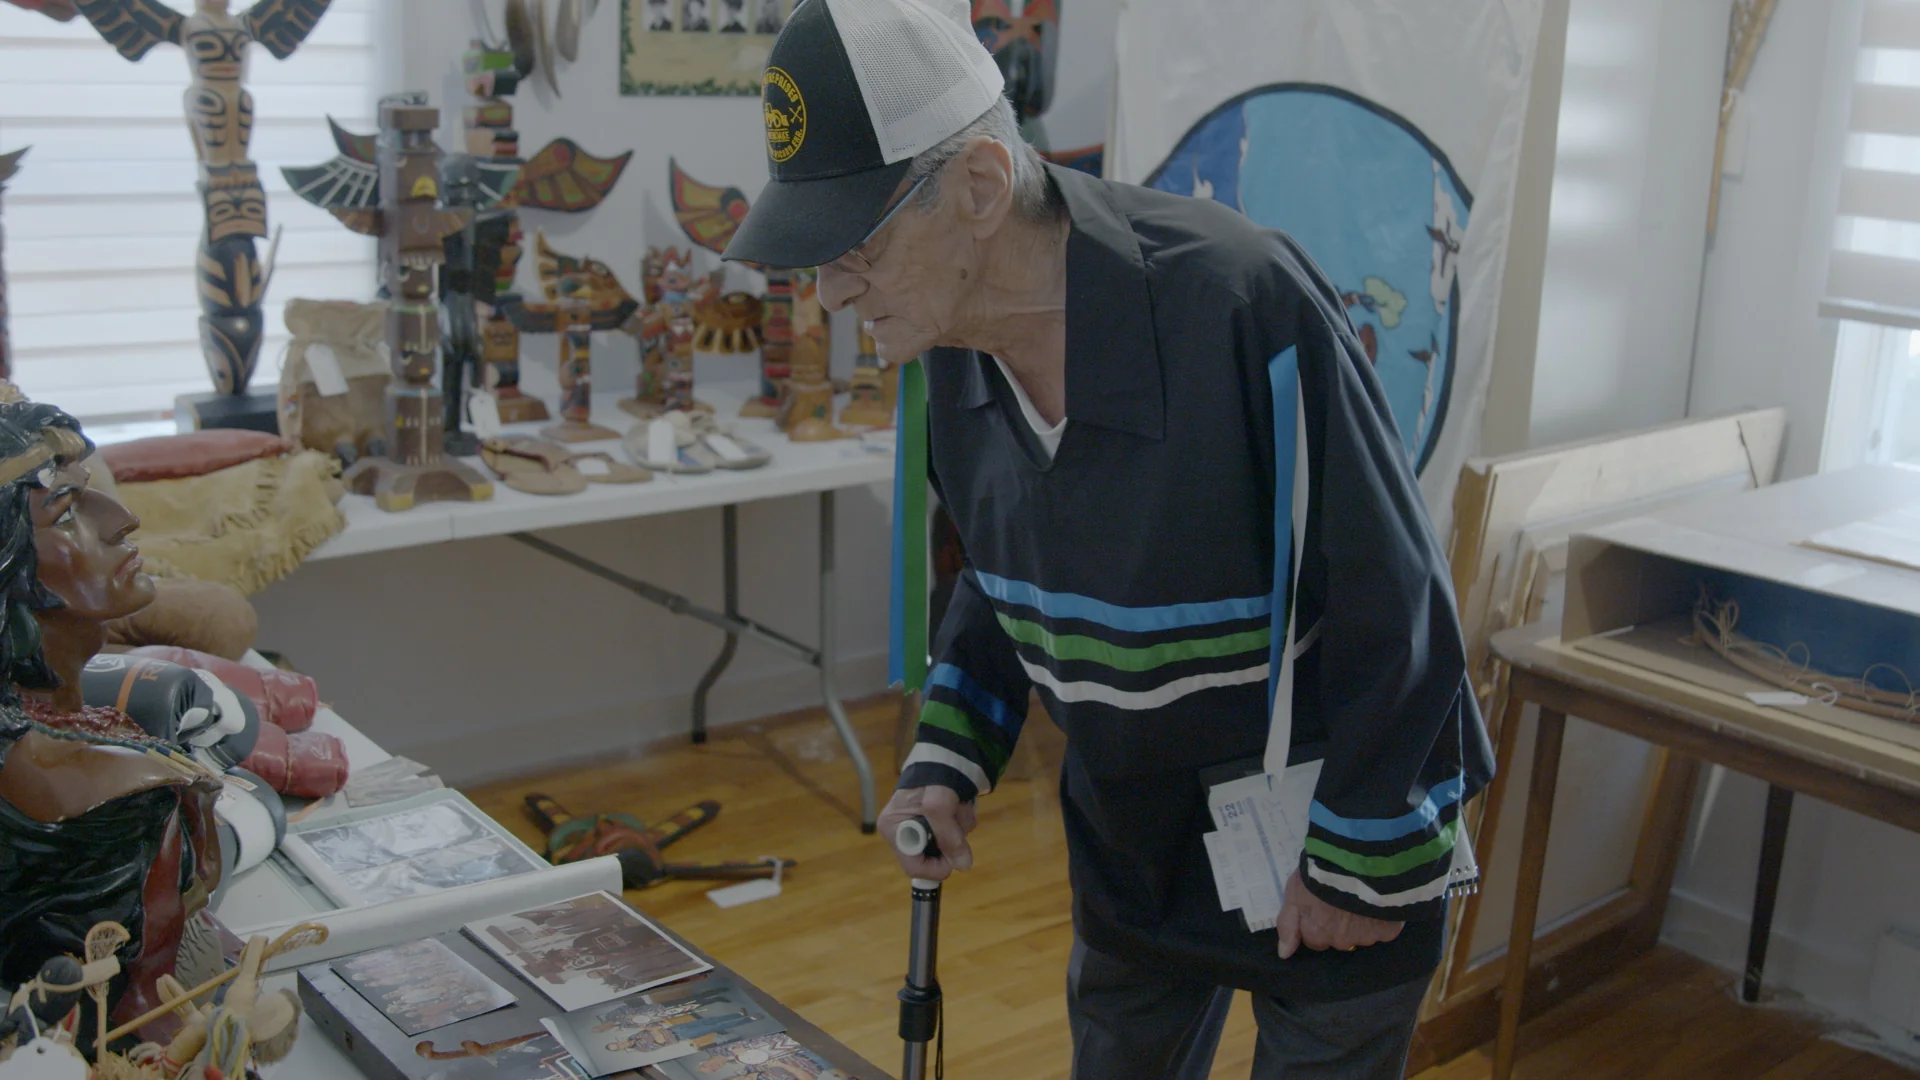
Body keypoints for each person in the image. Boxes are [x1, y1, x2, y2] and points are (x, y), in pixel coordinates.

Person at [724, 1, 1493, 1077]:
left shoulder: (1238, 300)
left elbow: (1394, 594)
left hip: (1336, 818)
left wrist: (1358, 861)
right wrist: (950, 753)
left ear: (980, 186)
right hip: (1137, 841)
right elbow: (1002, 566)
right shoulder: (950, 344)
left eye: (856, 245)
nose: (828, 292)